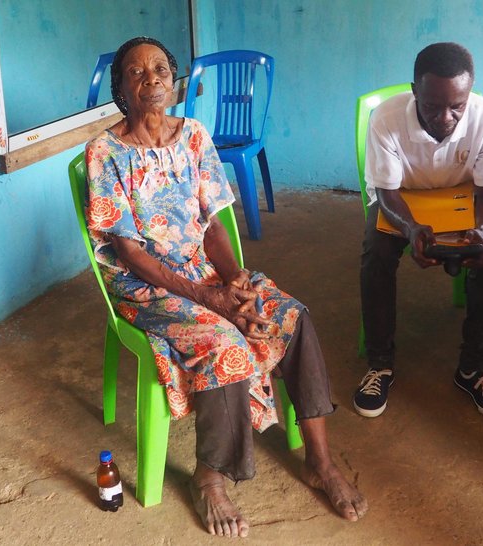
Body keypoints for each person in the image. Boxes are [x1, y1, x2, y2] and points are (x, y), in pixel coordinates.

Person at [84, 37, 367, 537]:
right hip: (145, 284)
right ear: (120, 90)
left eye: (159, 69)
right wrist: (207, 299)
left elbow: (214, 223)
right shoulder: (105, 152)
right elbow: (129, 252)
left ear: (174, 80)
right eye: (135, 72)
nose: (150, 78)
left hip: (204, 272)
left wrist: (233, 278)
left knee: (291, 316)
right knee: (225, 343)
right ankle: (209, 478)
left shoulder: (193, 135)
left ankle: (320, 461)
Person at [354, 42, 483, 422]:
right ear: (414, 92)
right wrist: (411, 230)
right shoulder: (387, 119)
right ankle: (380, 364)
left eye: (456, 106)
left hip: (462, 199)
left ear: (469, 93)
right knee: (375, 249)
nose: (445, 117)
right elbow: (387, 194)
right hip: (403, 203)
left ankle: (473, 368)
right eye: (432, 106)